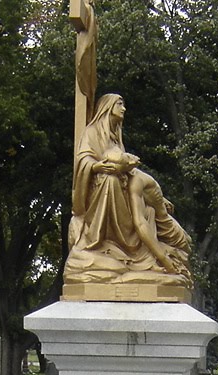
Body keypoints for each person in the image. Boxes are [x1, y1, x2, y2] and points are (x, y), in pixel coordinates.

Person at [65, 94, 191, 287]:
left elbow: (131, 172)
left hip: (127, 195)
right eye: (120, 104)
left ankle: (135, 253)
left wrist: (158, 198)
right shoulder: (92, 132)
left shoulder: (116, 139)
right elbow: (83, 160)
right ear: (108, 107)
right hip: (100, 190)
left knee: (152, 215)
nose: (124, 109)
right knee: (110, 180)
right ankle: (99, 241)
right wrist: (97, 167)